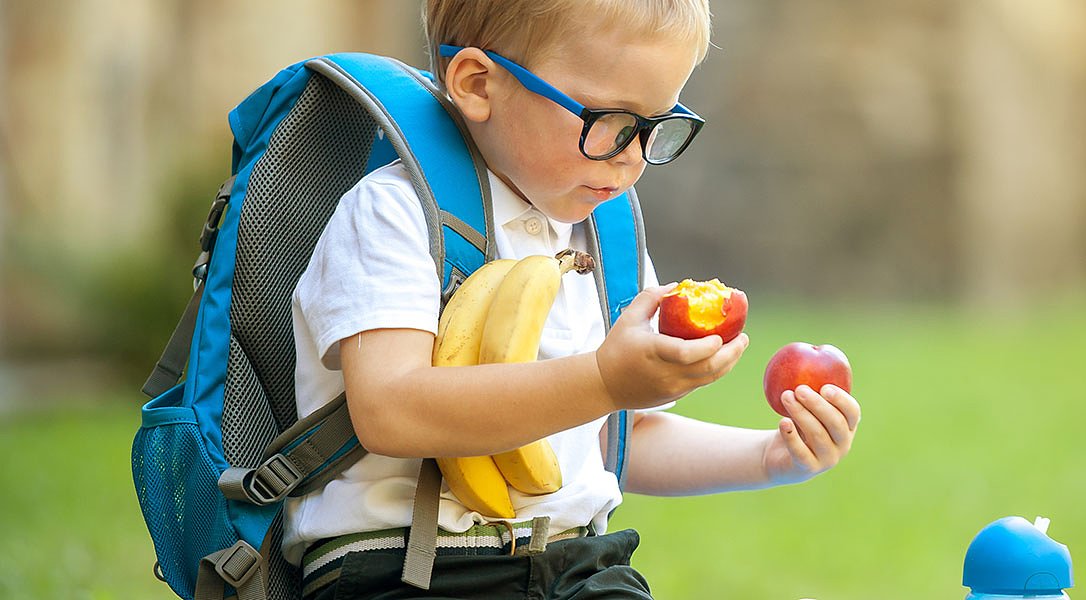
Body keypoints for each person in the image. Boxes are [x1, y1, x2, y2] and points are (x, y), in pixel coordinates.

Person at [286, 1, 862, 597]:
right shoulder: (394, 214)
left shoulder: (605, 238)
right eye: (608, 118)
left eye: (654, 126)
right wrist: (605, 382)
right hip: (406, 567)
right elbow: (391, 410)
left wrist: (771, 457)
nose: (632, 156)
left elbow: (619, 436)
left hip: (580, 563)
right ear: (479, 85)